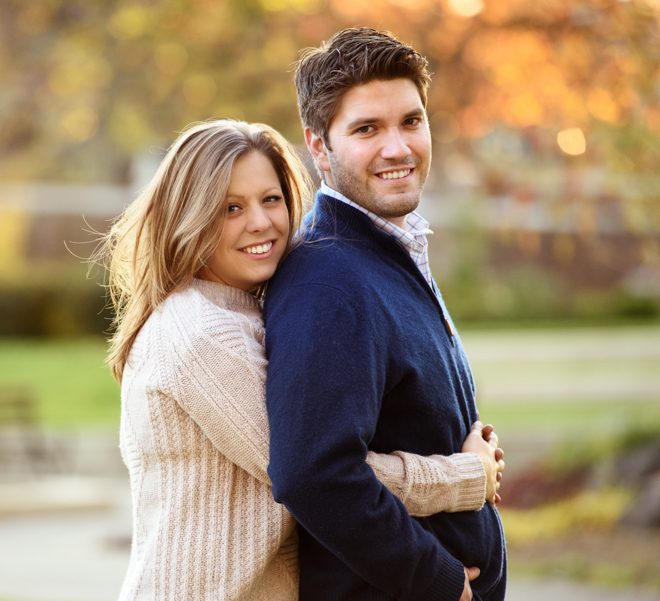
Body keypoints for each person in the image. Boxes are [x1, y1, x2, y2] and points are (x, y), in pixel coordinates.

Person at [97, 118, 505, 600]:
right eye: (231, 207)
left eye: (270, 199)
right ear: (192, 216)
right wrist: (466, 476)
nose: (260, 222)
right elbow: (319, 473)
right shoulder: (202, 335)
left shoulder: (244, 310)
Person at [264, 28, 508, 601]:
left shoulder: (387, 250)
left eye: (411, 121)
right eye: (367, 129)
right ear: (319, 147)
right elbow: (315, 475)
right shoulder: (328, 280)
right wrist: (440, 581)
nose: (397, 148)